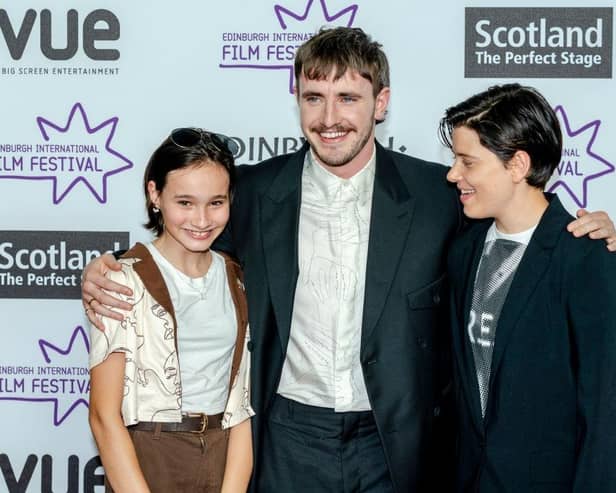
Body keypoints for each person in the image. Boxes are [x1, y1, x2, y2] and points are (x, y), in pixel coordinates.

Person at [82, 28, 616, 492]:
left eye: (348, 97)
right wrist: (105, 269)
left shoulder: (440, 195)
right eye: (313, 97)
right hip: (285, 438)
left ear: (381, 103)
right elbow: (185, 242)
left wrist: (600, 233)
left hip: (397, 448)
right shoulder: (252, 193)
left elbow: (521, 229)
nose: (329, 117)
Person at [440, 83, 616, 492]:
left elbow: (604, 413)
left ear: (517, 165)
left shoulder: (586, 258)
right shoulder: (462, 250)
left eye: (468, 162)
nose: (453, 174)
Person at [87, 128, 254, 493]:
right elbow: (103, 415)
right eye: (185, 202)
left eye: (215, 202)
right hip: (148, 457)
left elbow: (240, 406)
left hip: (224, 455)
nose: (201, 219)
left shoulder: (236, 278)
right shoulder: (120, 280)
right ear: (155, 195)